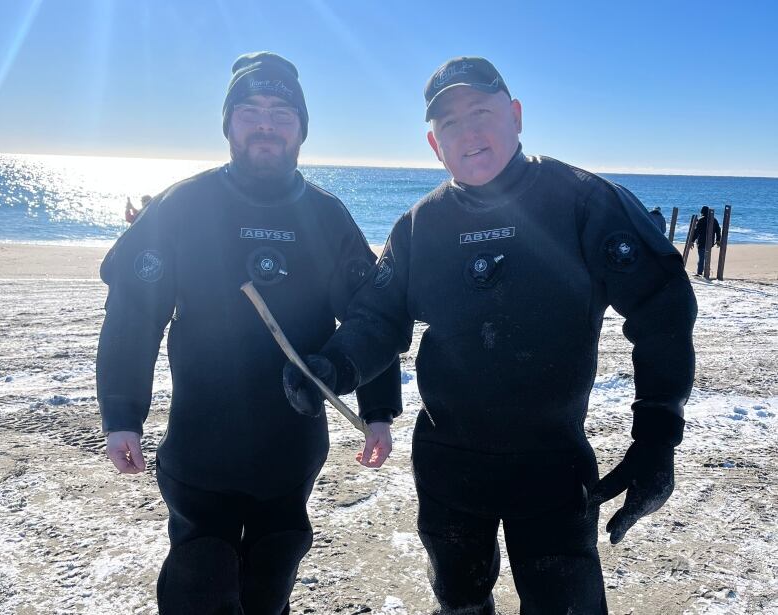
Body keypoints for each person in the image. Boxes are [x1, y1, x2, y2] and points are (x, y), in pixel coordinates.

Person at [284, 56, 697, 614]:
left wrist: (657, 437)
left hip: (553, 463)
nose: (469, 132)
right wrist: (333, 368)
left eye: (481, 111)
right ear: (435, 145)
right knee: (459, 603)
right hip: (450, 466)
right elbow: (379, 320)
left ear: (517, 116)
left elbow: (662, 308)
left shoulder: (584, 202)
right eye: (449, 123)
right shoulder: (418, 226)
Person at [97, 52, 401, 615]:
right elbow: (132, 317)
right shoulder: (183, 207)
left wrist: (379, 409)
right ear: (229, 124)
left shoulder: (327, 216)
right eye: (251, 110)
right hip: (200, 449)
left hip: (292, 452)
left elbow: (370, 318)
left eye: (283, 112)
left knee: (270, 578)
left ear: (302, 129)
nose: (266, 124)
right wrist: (122, 415)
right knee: (199, 581)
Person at [691, 205, 721, 276]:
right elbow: (718, 230)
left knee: (701, 258)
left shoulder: (701, 220)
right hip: (710, 242)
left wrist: (692, 241)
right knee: (706, 257)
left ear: (702, 212)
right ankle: (706, 272)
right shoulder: (714, 220)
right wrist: (718, 240)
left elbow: (696, 232)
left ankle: (700, 273)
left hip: (701, 242)